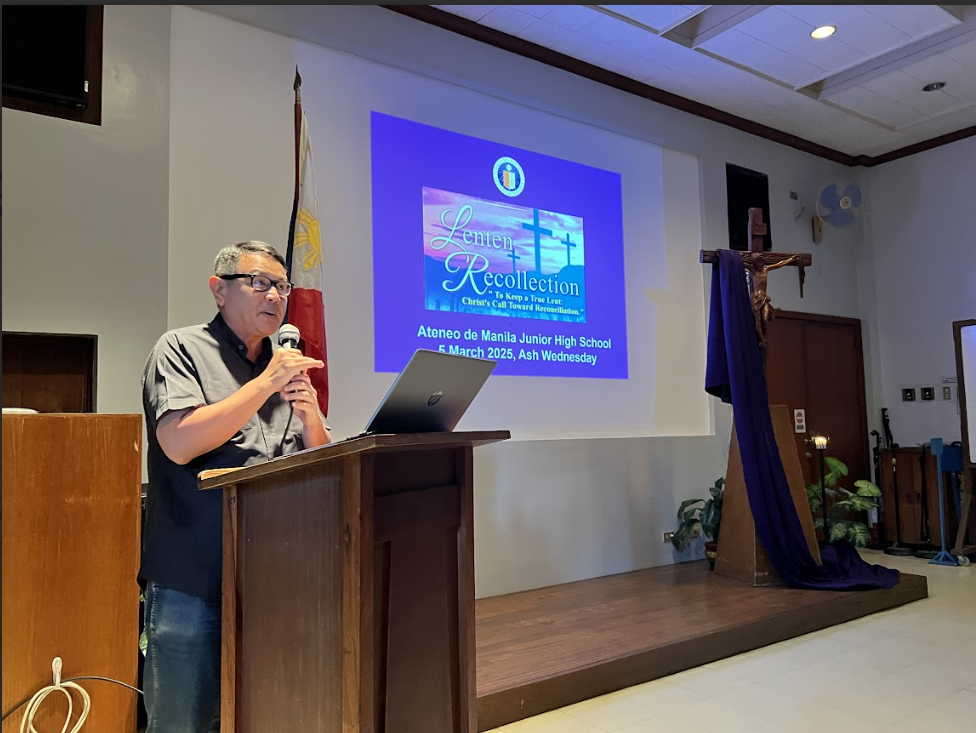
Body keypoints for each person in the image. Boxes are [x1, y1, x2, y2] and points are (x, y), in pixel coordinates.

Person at [138, 241, 331, 732]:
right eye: (260, 283)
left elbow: (321, 460)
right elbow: (180, 443)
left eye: (282, 286)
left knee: (269, 708)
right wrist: (265, 384)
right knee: (184, 720)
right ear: (218, 290)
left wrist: (310, 418)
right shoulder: (180, 349)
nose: (275, 296)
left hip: (278, 574)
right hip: (195, 574)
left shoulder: (284, 363)